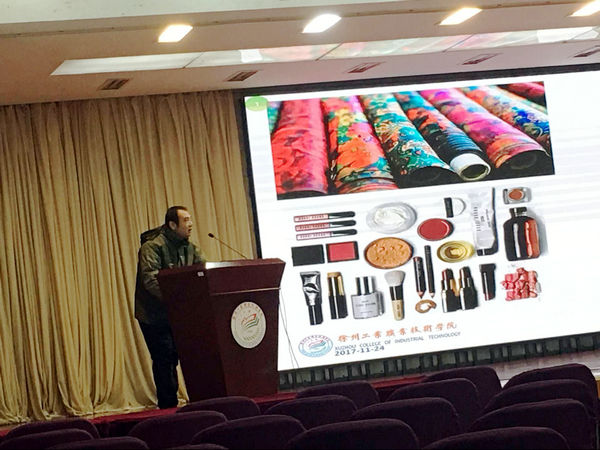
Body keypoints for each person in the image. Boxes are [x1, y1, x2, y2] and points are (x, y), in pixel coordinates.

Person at [135, 206, 206, 408]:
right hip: (154, 316)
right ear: (172, 225)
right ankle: (167, 409)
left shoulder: (190, 248)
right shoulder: (152, 247)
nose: (190, 224)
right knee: (165, 359)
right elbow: (150, 281)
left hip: (179, 314)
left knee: (188, 356)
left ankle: (199, 403)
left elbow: (203, 273)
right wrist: (178, 302)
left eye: (190, 219)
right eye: (186, 220)